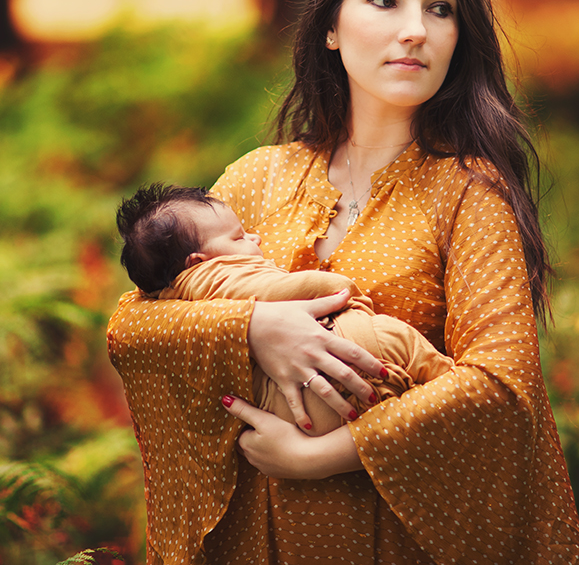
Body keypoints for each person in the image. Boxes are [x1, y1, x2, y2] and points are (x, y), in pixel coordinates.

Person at [108, 0, 579, 564]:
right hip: (257, 545)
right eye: (386, 1)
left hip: (392, 543)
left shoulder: (470, 194)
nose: (416, 30)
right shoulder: (257, 180)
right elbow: (132, 329)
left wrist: (322, 456)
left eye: (441, 9)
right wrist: (253, 330)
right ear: (332, 27)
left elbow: (500, 389)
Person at [115, 182, 455, 437]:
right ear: (196, 261)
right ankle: (447, 380)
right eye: (239, 238)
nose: (256, 238)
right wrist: (341, 289)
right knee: (404, 344)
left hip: (296, 410)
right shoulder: (217, 277)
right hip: (352, 347)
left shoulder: (173, 295)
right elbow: (283, 290)